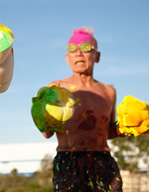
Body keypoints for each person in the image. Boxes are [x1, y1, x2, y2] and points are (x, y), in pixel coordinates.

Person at [41, 27, 123, 191]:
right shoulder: (55, 88)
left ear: (97, 56)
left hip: (102, 161)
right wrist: (42, 117)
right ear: (67, 58)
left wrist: (128, 127)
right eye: (72, 49)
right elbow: (47, 133)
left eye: (85, 48)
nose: (78, 53)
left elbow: (110, 132)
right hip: (68, 162)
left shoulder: (108, 91)